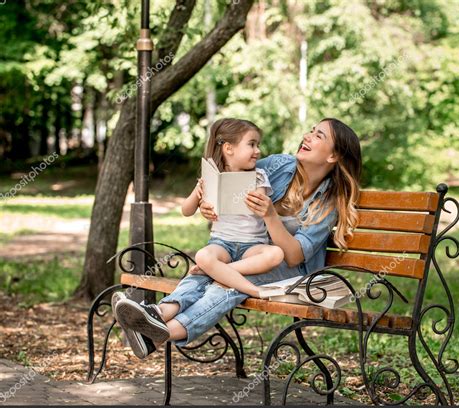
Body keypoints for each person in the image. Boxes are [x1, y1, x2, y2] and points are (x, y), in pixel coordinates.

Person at [113, 118, 362, 358]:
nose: (307, 136)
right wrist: (208, 205)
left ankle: (160, 334)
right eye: (311, 130)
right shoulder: (279, 165)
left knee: (225, 280)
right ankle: (160, 312)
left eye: (319, 135)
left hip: (290, 271)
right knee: (211, 270)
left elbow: (295, 256)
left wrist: (270, 216)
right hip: (253, 253)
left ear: (333, 156)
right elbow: (228, 179)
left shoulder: (329, 203)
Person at [182, 118, 284, 296]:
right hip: (221, 244)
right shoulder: (212, 177)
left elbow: (258, 205)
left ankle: (216, 270)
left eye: (257, 145)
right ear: (228, 148)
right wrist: (199, 199)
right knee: (203, 256)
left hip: (252, 246)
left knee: (276, 254)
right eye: (252, 144)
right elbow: (186, 211)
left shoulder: (259, 176)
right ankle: (253, 290)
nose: (257, 151)